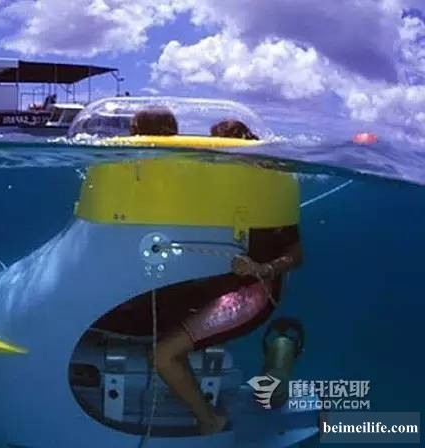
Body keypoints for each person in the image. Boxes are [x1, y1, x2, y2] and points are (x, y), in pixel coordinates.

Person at [125, 115, 302, 434]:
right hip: (215, 286)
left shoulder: (269, 189)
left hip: (250, 294)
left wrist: (262, 268)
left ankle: (212, 419)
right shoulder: (213, 187)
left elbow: (295, 255)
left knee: (163, 355)